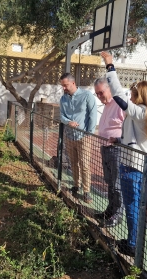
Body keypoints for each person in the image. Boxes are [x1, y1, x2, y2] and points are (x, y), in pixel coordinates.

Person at [101, 51, 147, 257]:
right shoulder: (146, 113)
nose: (131, 96)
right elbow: (135, 138)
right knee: (134, 206)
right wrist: (118, 140)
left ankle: (133, 244)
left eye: (133, 93)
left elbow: (117, 94)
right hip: (137, 164)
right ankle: (132, 241)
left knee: (132, 207)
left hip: (132, 166)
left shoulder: (142, 111)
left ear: (141, 96)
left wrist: (110, 65)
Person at [59, 73, 97, 203]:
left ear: (73, 83)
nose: (63, 88)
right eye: (62, 86)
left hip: (84, 137)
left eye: (65, 85)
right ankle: (76, 186)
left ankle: (86, 192)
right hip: (69, 136)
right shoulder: (63, 99)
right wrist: (68, 122)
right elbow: (62, 116)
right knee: (73, 163)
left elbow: (93, 115)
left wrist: (89, 133)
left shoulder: (87, 96)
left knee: (85, 165)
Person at [94, 77, 125, 227]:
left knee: (117, 184)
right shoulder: (107, 105)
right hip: (105, 148)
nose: (99, 96)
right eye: (97, 94)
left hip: (116, 150)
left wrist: (118, 139)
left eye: (101, 92)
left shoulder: (119, 104)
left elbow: (128, 128)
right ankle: (110, 210)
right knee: (109, 182)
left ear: (109, 89)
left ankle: (117, 215)